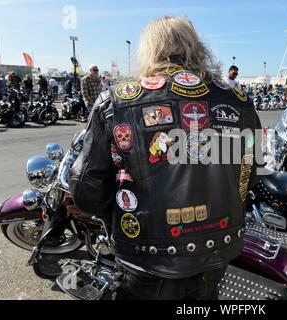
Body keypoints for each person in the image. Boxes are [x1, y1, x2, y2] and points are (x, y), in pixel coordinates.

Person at [69, 16, 261, 300]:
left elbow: (87, 193)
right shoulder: (239, 99)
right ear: (197, 48)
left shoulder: (117, 101)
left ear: (149, 51)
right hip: (216, 253)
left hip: (144, 258)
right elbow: (251, 173)